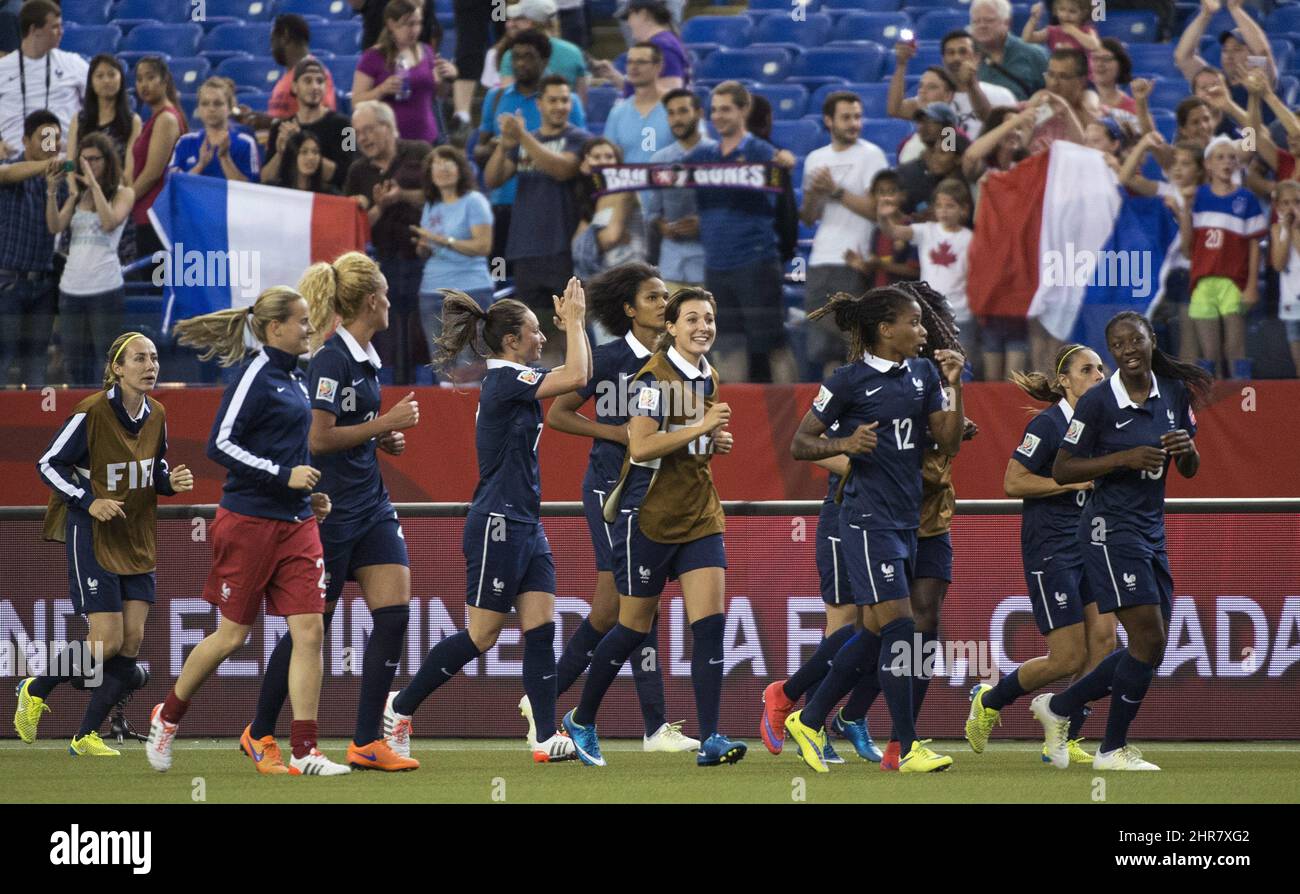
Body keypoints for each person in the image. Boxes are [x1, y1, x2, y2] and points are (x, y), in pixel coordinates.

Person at [384, 280, 591, 764]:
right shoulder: (503, 381)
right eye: (536, 332)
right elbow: (578, 376)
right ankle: (400, 706)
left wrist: (573, 327)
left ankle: (542, 736)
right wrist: (577, 323)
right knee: (482, 635)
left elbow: (580, 373)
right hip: (497, 521)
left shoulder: (516, 378)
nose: (542, 339)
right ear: (511, 342)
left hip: (526, 522)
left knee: (541, 627)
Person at [151, 287, 346, 776]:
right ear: (274, 328)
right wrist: (284, 478)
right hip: (248, 521)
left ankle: (305, 750)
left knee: (310, 630)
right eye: (302, 321)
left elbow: (287, 450)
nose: (309, 328)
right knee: (232, 637)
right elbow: (219, 444)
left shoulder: (298, 379)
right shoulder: (255, 375)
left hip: (297, 522)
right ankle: (168, 716)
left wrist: (305, 493)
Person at [239, 253, 422, 774]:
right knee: (310, 628)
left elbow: (350, 427)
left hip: (372, 505)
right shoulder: (330, 358)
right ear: (370, 300)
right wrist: (381, 421)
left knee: (394, 613)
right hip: (331, 512)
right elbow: (318, 439)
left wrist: (381, 437)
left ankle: (366, 741)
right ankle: (259, 730)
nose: (391, 301)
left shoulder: (367, 355)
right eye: (385, 293)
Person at [783, 284, 967, 774]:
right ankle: (905, 748)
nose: (923, 330)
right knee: (902, 630)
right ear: (886, 330)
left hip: (909, 519)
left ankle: (809, 717)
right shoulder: (847, 381)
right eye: (914, 322)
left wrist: (954, 384)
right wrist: (846, 441)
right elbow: (801, 443)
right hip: (866, 520)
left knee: (871, 632)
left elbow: (947, 442)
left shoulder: (926, 372)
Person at [561, 287, 748, 768]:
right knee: (629, 629)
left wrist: (711, 443)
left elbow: (688, 447)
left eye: (709, 318)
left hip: (700, 516)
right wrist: (703, 428)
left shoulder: (709, 375)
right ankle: (581, 719)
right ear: (671, 327)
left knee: (710, 628)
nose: (703, 327)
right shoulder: (651, 380)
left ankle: (710, 738)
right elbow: (640, 448)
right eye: (691, 319)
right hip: (648, 518)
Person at [1031, 311, 1211, 771]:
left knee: (1151, 646)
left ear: (1153, 338)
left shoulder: (1173, 393)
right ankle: (1111, 749)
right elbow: (1063, 469)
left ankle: (1059, 707)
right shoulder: (1097, 403)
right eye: (1118, 344)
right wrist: (1123, 458)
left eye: (1136, 339)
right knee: (1147, 639)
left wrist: (1188, 452)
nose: (1128, 348)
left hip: (1151, 528)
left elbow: (1188, 468)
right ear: (1112, 351)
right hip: (1108, 530)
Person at [543, 263, 698, 753]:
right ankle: (653, 728)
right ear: (629, 310)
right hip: (608, 489)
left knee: (617, 609)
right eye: (653, 297)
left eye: (666, 295)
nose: (663, 302)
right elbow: (559, 415)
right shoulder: (606, 359)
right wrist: (620, 435)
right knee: (632, 603)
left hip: (651, 492)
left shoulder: (678, 362)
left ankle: (542, 698)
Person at [17, 333, 192, 755]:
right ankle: (35, 688)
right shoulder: (90, 412)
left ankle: (86, 736)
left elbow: (153, 466)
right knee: (107, 641)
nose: (150, 366)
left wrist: (169, 481)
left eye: (153, 358)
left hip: (137, 535)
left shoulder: (158, 413)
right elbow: (48, 464)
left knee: (131, 642)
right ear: (117, 368)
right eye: (138, 359)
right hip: (92, 533)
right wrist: (88, 501)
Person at [966, 344, 1115, 763]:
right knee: (1067, 658)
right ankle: (990, 699)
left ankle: (1063, 736)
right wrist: (1068, 484)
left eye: (1102, 369)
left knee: (1104, 642)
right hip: (1052, 548)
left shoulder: (1102, 427)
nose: (1099, 375)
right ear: (1065, 381)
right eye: (1088, 370)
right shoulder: (1050, 426)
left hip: (1092, 544)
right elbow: (1013, 483)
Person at [758, 428, 878, 765]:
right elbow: (811, 447)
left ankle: (846, 715)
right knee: (845, 627)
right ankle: (812, 723)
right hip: (843, 520)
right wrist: (876, 471)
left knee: (883, 628)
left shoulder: (910, 391)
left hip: (885, 522)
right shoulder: (850, 389)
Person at [686, 81, 793, 383]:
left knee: (773, 343)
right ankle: (735, 423)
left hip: (755, 262)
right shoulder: (703, 155)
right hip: (716, 265)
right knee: (727, 344)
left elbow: (781, 174)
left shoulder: (761, 151)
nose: (718, 116)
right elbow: (660, 174)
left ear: (744, 110)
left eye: (726, 109)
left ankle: (792, 422)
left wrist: (783, 161)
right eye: (714, 110)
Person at [483, 74, 590, 363]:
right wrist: (505, 144)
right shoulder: (526, 141)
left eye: (565, 100)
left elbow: (562, 169)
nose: (560, 106)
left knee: (569, 324)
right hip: (525, 248)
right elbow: (493, 178)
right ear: (539, 104)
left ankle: (573, 379)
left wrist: (522, 137)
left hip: (562, 247)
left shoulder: (578, 138)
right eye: (553, 100)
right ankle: (540, 382)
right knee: (532, 327)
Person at [475, 30, 587, 263]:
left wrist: (522, 137)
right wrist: (500, 145)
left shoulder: (569, 101)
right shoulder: (495, 97)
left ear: (544, 60)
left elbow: (575, 149)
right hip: (507, 205)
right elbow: (480, 149)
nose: (520, 63)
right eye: (515, 57)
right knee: (507, 283)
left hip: (557, 209)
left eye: (528, 56)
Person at [801, 91, 888, 380]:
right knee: (824, 348)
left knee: (855, 343)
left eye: (858, 117)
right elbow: (809, 217)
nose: (854, 123)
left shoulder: (872, 155)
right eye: (846, 117)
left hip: (855, 259)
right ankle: (828, 413)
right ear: (829, 121)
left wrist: (836, 191)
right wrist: (814, 194)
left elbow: (879, 211)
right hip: (821, 259)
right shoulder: (815, 158)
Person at [344, 100, 433, 385]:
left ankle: (426, 386)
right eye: (358, 132)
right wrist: (380, 207)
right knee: (388, 329)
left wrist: (402, 196)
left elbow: (440, 196)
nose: (364, 138)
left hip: (425, 257)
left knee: (422, 329)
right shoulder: (357, 171)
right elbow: (356, 226)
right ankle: (389, 384)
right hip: (384, 261)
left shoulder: (420, 151)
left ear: (389, 127)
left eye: (369, 130)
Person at [46, 133, 134, 386]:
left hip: (104, 288)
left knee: (108, 362)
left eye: (95, 159)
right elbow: (55, 225)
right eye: (84, 160)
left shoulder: (123, 193)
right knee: (75, 363)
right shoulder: (77, 196)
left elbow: (108, 222)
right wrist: (53, 191)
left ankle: (109, 417)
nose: (89, 165)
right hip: (71, 289)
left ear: (107, 161)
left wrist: (94, 184)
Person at [1120, 133, 1204, 366]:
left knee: (1189, 334)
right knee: (1149, 334)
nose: (1177, 168)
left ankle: (1192, 388)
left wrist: (1181, 212)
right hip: (1161, 275)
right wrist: (1142, 144)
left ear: (1199, 169)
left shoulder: (1205, 196)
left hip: (1190, 272)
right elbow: (1125, 178)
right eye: (1174, 162)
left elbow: (1189, 249)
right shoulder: (1165, 190)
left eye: (1185, 164)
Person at [876, 179, 975, 377]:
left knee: (961, 368)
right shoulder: (926, 230)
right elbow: (893, 231)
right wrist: (883, 217)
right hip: (928, 312)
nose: (944, 211)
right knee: (928, 367)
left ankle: (960, 405)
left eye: (950, 206)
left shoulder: (970, 238)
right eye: (939, 206)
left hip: (960, 313)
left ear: (964, 209)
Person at [1187, 135, 1264, 379]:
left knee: (1235, 347)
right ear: (1208, 164)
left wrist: (1251, 286)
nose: (1226, 162)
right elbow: (1187, 244)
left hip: (1234, 281)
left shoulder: (1246, 199)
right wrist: (1182, 211)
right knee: (1209, 350)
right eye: (1220, 157)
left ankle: (1242, 405)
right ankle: (1214, 410)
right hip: (1202, 280)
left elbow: (1255, 245)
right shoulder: (1197, 197)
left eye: (1232, 157)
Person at [411, 144, 495, 369]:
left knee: (470, 367)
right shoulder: (431, 204)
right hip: (431, 292)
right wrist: (423, 246)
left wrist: (442, 240)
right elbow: (429, 247)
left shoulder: (474, 201)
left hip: (470, 290)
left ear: (461, 169)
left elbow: (483, 246)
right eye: (436, 165)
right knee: (442, 365)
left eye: (449, 163)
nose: (443, 168)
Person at [0, 109, 63, 386]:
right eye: (44, 137)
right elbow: (7, 174)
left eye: (56, 138)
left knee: (36, 363)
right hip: (9, 283)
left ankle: (34, 428)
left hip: (44, 286)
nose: (52, 145)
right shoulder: (13, 169)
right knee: (3, 358)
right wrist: (53, 164)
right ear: (25, 140)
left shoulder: (58, 182)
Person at [353, 0, 456, 146]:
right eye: (408, 24)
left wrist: (448, 78)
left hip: (427, 138)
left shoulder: (426, 51)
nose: (414, 30)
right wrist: (381, 90)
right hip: (391, 143)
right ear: (391, 24)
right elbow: (356, 102)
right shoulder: (373, 57)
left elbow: (438, 94)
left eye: (418, 23)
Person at [0, 0, 87, 159]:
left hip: (63, 164)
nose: (61, 32)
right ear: (34, 30)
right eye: (54, 27)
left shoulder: (74, 64)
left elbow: (99, 108)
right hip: (12, 167)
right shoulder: (3, 68)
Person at [643, 88, 710, 294]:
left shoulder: (718, 157)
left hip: (708, 265)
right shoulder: (658, 161)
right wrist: (661, 225)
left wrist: (704, 224)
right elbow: (652, 212)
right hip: (671, 265)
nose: (677, 119)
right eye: (671, 113)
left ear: (699, 113)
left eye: (682, 111)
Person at [1174, 0, 1277, 125]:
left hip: (1255, 141)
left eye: (1237, 49)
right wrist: (1205, 14)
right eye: (1225, 50)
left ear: (1252, 57)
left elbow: (1262, 51)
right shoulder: (1216, 80)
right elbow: (1183, 58)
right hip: (1222, 142)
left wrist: (1235, 9)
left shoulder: (1261, 79)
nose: (1229, 55)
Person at [263, 57, 357, 192]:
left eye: (320, 81)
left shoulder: (346, 126)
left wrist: (299, 141)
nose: (315, 87)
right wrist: (281, 153)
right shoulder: (280, 127)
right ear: (294, 87)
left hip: (326, 201)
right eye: (307, 80)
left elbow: (349, 175)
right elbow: (265, 179)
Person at [129, 57, 184, 268]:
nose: (144, 84)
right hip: (146, 215)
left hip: (156, 216)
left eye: (151, 78)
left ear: (164, 81)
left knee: (155, 290)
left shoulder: (166, 119)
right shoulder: (154, 118)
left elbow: (152, 172)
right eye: (140, 79)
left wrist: (125, 201)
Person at [571, 137, 647, 284]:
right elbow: (576, 246)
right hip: (602, 276)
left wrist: (590, 240)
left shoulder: (625, 189)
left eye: (609, 156)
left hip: (629, 275)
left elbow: (610, 237)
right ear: (585, 163)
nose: (604, 161)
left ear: (618, 162)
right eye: (596, 157)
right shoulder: (593, 197)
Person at [495, 0, 589, 102]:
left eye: (519, 19)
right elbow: (581, 105)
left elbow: (508, 102)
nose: (510, 24)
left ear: (534, 23)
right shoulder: (574, 52)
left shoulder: (513, 55)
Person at [169, 78, 260, 183]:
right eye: (205, 104)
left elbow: (251, 191)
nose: (211, 109)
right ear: (198, 109)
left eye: (218, 103)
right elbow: (172, 185)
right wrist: (200, 165)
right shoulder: (185, 142)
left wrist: (225, 158)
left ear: (230, 108)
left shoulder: (245, 143)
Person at [935, 30, 1019, 140]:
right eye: (950, 53)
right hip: (949, 153)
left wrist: (971, 82)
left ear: (977, 58)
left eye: (963, 52)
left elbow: (992, 124)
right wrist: (903, 64)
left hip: (987, 155)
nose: (956, 58)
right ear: (943, 59)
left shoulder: (1002, 95)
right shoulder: (935, 96)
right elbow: (947, 147)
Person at [598, 0, 689, 97]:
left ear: (643, 15)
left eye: (629, 17)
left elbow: (672, 95)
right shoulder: (660, 43)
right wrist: (614, 76)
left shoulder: (663, 46)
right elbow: (646, 90)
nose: (628, 23)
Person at [601, 42, 670, 164]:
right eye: (630, 62)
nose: (633, 67)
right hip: (629, 182)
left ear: (658, 67)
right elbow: (607, 156)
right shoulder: (618, 112)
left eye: (641, 62)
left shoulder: (677, 106)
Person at [969, 0, 1048, 102]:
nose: (982, 26)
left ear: (1007, 22)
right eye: (976, 21)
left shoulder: (1034, 54)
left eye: (989, 20)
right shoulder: (964, 56)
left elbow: (1055, 96)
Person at [266, 13, 338, 120]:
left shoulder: (315, 74)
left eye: (273, 40)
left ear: (285, 36)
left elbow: (321, 120)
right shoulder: (288, 75)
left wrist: (270, 122)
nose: (271, 48)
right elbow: (281, 115)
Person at [887, 63, 957, 165]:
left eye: (932, 87)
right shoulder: (905, 144)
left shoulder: (950, 133)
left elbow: (947, 168)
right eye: (921, 86)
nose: (922, 91)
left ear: (948, 95)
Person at [1022, 0, 1101, 80]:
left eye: (1072, 11)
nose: (1066, 15)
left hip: (1083, 81)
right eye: (1062, 10)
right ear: (1056, 10)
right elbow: (1027, 39)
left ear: (1083, 13)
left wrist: (1074, 31)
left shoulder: (1087, 30)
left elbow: (1094, 45)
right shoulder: (1052, 31)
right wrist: (1033, 19)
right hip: (1058, 80)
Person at [1271, 180, 1300, 377]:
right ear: (1278, 206)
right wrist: (1287, 231)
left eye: (1297, 202)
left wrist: (1296, 229)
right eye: (1286, 203)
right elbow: (1279, 264)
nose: (1292, 208)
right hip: (1291, 299)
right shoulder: (1276, 230)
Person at [274, 130, 339, 195]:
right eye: (304, 152)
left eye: (315, 152)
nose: (311, 157)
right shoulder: (275, 190)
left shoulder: (329, 193)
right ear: (292, 156)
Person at [1092, 38, 1137, 117]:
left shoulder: (1132, 107)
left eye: (1106, 59)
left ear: (1121, 65)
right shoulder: (1077, 101)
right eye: (1095, 58)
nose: (1099, 64)